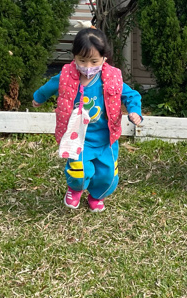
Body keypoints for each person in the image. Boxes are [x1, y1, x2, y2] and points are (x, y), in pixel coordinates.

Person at [32, 28, 142, 212]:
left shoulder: (112, 79)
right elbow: (49, 86)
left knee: (108, 175)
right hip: (78, 138)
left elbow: (131, 95)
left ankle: (96, 196)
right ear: (74, 56)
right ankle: (75, 189)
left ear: (104, 58)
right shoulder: (67, 76)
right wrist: (38, 98)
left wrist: (134, 111)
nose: (88, 66)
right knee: (79, 171)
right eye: (82, 60)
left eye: (94, 61)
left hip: (106, 138)